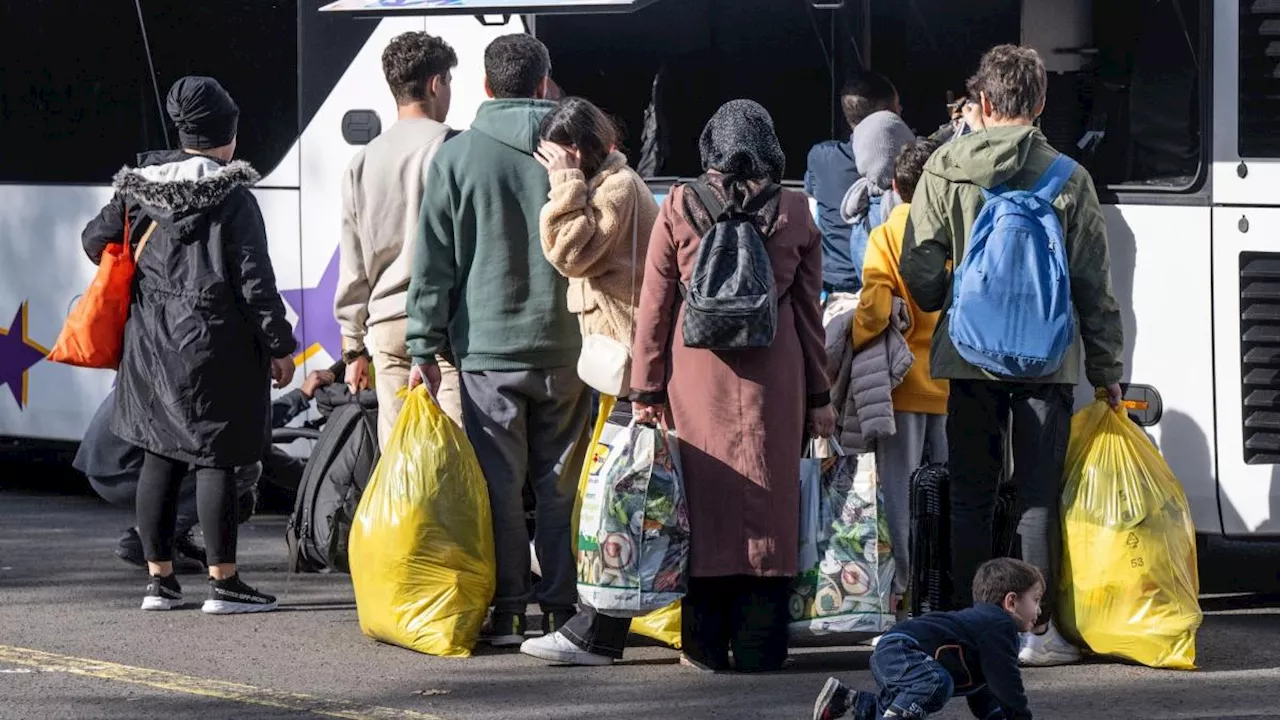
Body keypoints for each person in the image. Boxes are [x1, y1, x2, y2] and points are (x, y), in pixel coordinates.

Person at [900, 45, 1125, 666]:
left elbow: (918, 271)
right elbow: (1093, 288)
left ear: (986, 102)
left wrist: (957, 295)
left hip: (970, 357)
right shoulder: (1068, 176)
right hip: (1048, 362)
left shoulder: (943, 168)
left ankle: (976, 628)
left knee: (971, 493)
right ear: (1041, 104)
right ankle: (1035, 632)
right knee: (1036, 496)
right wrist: (1108, 372)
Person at [629, 99, 834, 672]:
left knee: (703, 504)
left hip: (696, 377)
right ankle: (761, 645)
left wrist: (645, 392)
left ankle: (702, 645)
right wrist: (820, 398)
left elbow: (655, 308)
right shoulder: (793, 209)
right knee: (770, 502)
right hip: (777, 378)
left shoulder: (679, 204)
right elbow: (809, 318)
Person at [81, 76, 298, 614]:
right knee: (216, 460)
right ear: (226, 135)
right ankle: (224, 584)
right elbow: (255, 282)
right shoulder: (234, 196)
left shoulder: (138, 188)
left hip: (151, 343)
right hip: (217, 346)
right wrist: (279, 344)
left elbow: (93, 240)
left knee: (159, 454)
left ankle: (161, 582)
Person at [406, 34, 592, 647]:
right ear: (544, 84)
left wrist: (422, 346)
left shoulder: (457, 158)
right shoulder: (577, 150)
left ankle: (510, 610)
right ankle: (562, 612)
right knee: (561, 486)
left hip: (486, 353)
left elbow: (434, 264)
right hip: (569, 348)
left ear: (487, 88)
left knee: (500, 490)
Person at [518, 96, 660, 666]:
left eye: (558, 153)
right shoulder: (614, 182)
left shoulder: (616, 188)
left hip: (632, 369)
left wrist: (564, 184)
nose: (552, 163)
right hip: (624, 366)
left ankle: (597, 633)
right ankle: (596, 625)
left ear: (576, 149)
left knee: (619, 502)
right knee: (616, 498)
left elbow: (569, 251)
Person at [76, 369, 337, 570]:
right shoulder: (212, 372)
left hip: (108, 465)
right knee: (242, 470)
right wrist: (301, 396)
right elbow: (247, 433)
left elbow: (254, 441)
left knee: (235, 463)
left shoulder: (195, 358)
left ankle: (173, 539)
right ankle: (146, 539)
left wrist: (315, 481)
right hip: (121, 471)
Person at [335, 32, 462, 444]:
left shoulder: (362, 161)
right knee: (455, 457)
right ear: (435, 84)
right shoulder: (453, 149)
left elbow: (353, 265)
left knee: (401, 458)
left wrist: (353, 347)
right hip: (444, 326)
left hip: (387, 328)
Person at [851, 136, 948, 611]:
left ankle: (904, 594)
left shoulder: (886, 235)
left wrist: (846, 333)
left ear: (894, 184)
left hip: (904, 386)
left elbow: (872, 311)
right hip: (952, 384)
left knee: (900, 497)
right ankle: (945, 589)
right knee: (948, 494)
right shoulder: (956, 231)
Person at [812, 558, 1043, 720]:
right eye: (1036, 600)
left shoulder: (982, 632)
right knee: (936, 684)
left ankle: (846, 699)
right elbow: (1007, 685)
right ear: (1011, 602)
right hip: (903, 648)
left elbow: (984, 694)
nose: (1039, 610)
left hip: (896, 650)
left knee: (902, 703)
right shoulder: (999, 626)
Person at [804, 72, 900, 318]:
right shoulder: (906, 162)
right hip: (887, 291)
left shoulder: (821, 157)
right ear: (888, 114)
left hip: (835, 292)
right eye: (898, 108)